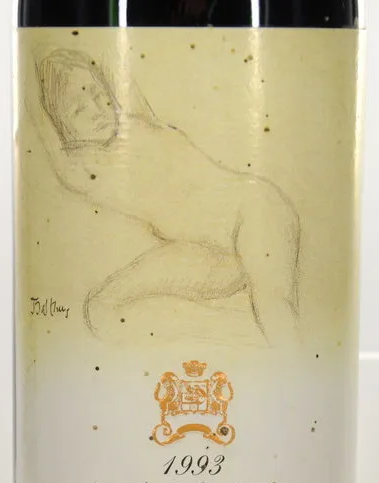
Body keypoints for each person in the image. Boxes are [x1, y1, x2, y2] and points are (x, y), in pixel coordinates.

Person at [35, 49, 300, 344]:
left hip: (252, 212)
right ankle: (237, 338)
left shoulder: (138, 121)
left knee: (274, 310)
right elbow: (33, 117)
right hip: (207, 253)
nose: (97, 110)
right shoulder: (77, 168)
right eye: (78, 110)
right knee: (100, 309)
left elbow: (115, 49)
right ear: (63, 126)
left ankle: (280, 350)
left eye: (98, 95)